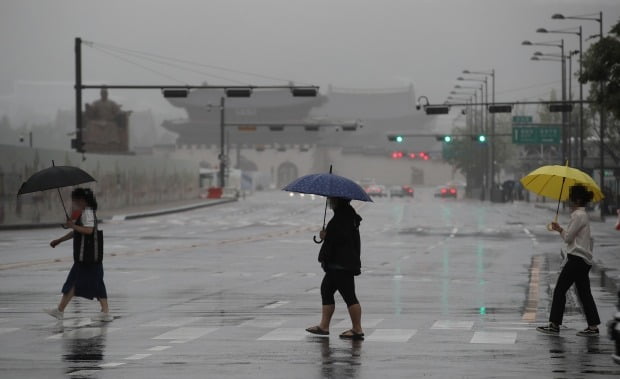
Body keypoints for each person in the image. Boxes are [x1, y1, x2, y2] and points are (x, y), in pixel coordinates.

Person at [537, 184, 600, 337]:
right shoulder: (582, 215)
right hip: (583, 260)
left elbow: (568, 238)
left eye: (571, 198)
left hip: (577, 259)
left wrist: (559, 229)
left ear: (577, 199)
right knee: (584, 293)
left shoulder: (578, 215)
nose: (569, 201)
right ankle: (593, 326)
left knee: (560, 290)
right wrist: (561, 229)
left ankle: (554, 324)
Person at [44, 188, 112, 322]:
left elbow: (88, 230)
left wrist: (72, 226)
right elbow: (78, 232)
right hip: (88, 257)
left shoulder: (87, 213)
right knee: (93, 282)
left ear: (82, 200)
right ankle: (104, 312)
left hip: (87, 257)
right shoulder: (85, 213)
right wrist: (60, 240)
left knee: (76, 282)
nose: (73, 202)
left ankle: (60, 310)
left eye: (75, 200)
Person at [306, 197, 364, 340]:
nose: (330, 202)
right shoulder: (345, 214)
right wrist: (327, 236)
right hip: (338, 263)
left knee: (349, 296)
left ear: (338, 201)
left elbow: (343, 238)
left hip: (342, 264)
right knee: (326, 290)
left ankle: (357, 329)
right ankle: (324, 326)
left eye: (331, 200)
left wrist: (328, 235)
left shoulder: (343, 216)